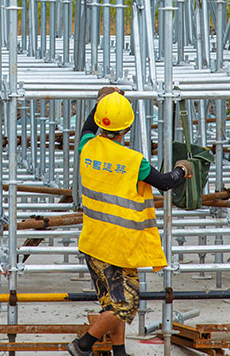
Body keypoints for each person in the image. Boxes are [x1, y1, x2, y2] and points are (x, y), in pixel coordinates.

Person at [67, 88, 193, 356]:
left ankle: (119, 352)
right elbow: (165, 182)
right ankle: (82, 345)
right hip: (120, 247)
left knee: (112, 302)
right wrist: (183, 169)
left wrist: (104, 102)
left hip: (93, 242)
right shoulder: (133, 161)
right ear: (129, 127)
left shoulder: (86, 147)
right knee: (125, 305)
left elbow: (89, 126)